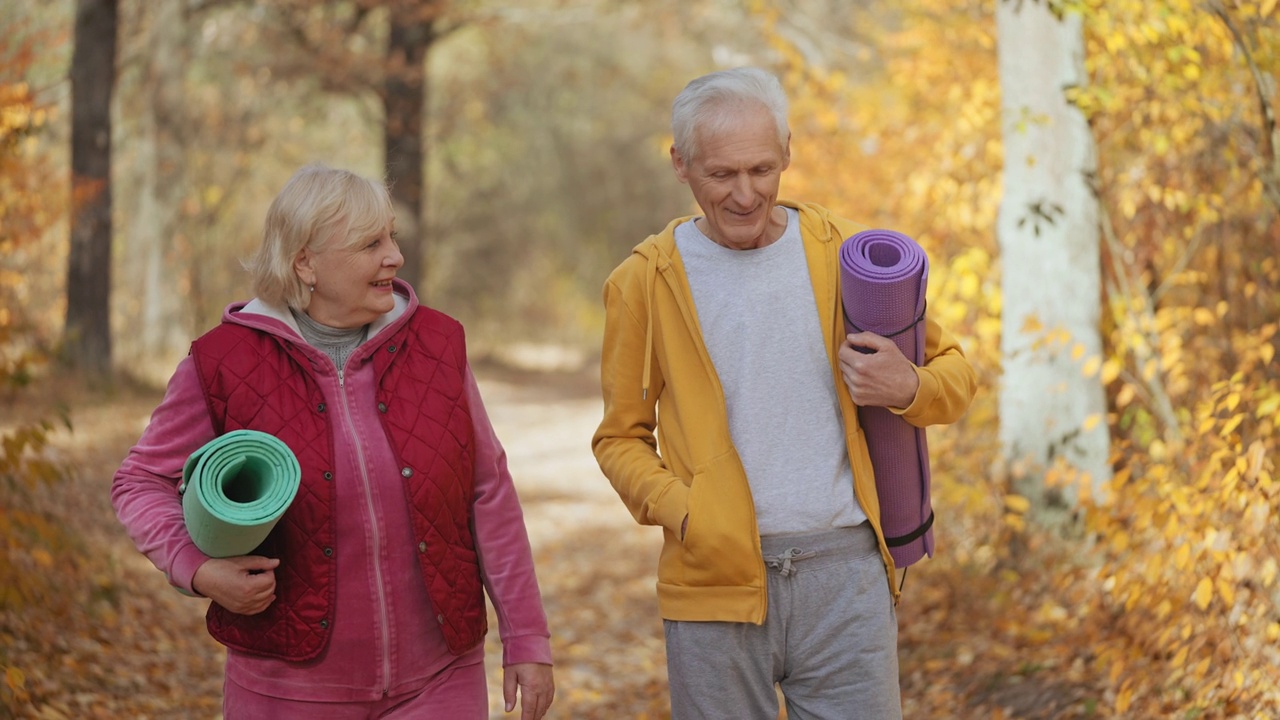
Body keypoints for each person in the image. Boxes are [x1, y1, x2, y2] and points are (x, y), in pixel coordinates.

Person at [591, 67, 976, 719]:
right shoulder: (644, 282)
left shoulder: (848, 253)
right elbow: (619, 437)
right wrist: (686, 511)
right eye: (722, 175)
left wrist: (908, 385)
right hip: (713, 580)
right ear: (680, 163)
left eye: (763, 170)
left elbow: (957, 375)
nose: (746, 194)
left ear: (788, 154)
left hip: (847, 574)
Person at [112, 163, 555, 719]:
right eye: (371, 243)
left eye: (391, 236)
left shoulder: (440, 344)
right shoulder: (224, 361)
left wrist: (526, 639)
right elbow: (139, 480)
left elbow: (488, 492)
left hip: (441, 678)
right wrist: (196, 567)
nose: (394, 256)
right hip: (287, 687)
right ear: (306, 262)